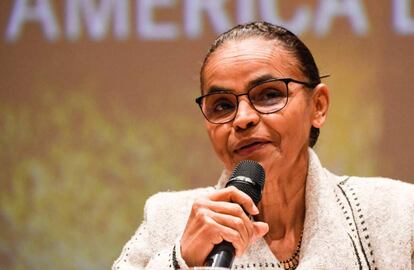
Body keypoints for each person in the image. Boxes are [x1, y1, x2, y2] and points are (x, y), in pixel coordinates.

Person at [112, 21, 414, 270]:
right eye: (221, 105)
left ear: (318, 106)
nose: (242, 119)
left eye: (269, 94)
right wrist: (179, 260)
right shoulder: (168, 219)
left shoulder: (397, 211)